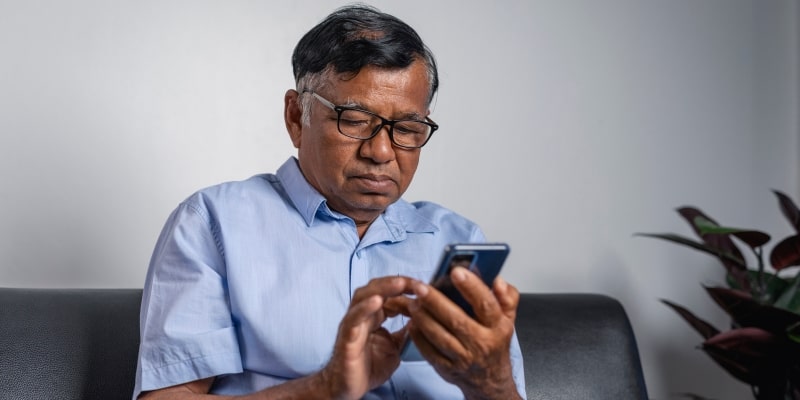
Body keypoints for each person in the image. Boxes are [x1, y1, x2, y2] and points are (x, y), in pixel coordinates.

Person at [133, 5, 526, 400]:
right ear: (295, 116)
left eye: (407, 128)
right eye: (355, 121)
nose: (381, 151)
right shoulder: (212, 223)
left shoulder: (457, 238)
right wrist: (326, 387)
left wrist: (492, 383)